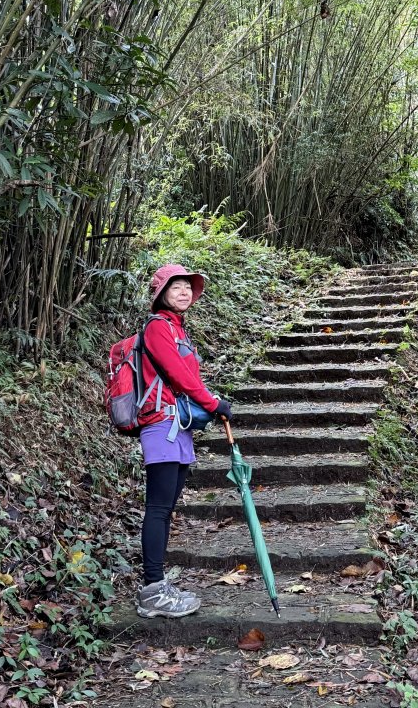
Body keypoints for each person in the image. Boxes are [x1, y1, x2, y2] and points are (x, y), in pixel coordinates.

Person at [135, 263, 234, 619]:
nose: (184, 291)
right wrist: (212, 402)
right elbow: (178, 375)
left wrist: (207, 404)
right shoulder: (158, 328)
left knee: (167, 507)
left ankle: (158, 586)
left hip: (177, 426)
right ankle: (152, 591)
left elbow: (188, 379)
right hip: (161, 425)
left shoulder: (179, 330)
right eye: (175, 286)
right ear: (161, 292)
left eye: (188, 287)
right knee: (159, 508)